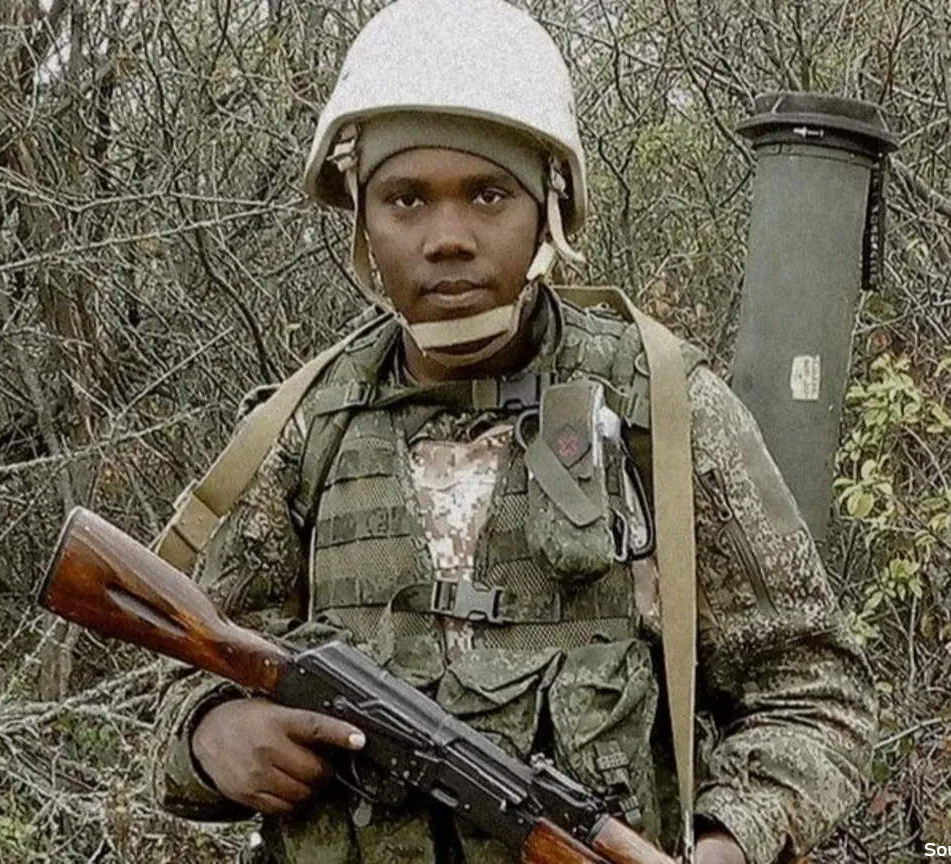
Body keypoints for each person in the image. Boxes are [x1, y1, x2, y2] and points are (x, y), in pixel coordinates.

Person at [147, 1, 875, 862]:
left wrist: (726, 843)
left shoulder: (659, 412)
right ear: (361, 218)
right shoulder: (308, 427)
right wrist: (212, 736)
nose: (447, 238)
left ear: (549, 209)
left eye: (487, 195)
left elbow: (814, 692)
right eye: (405, 199)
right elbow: (177, 671)